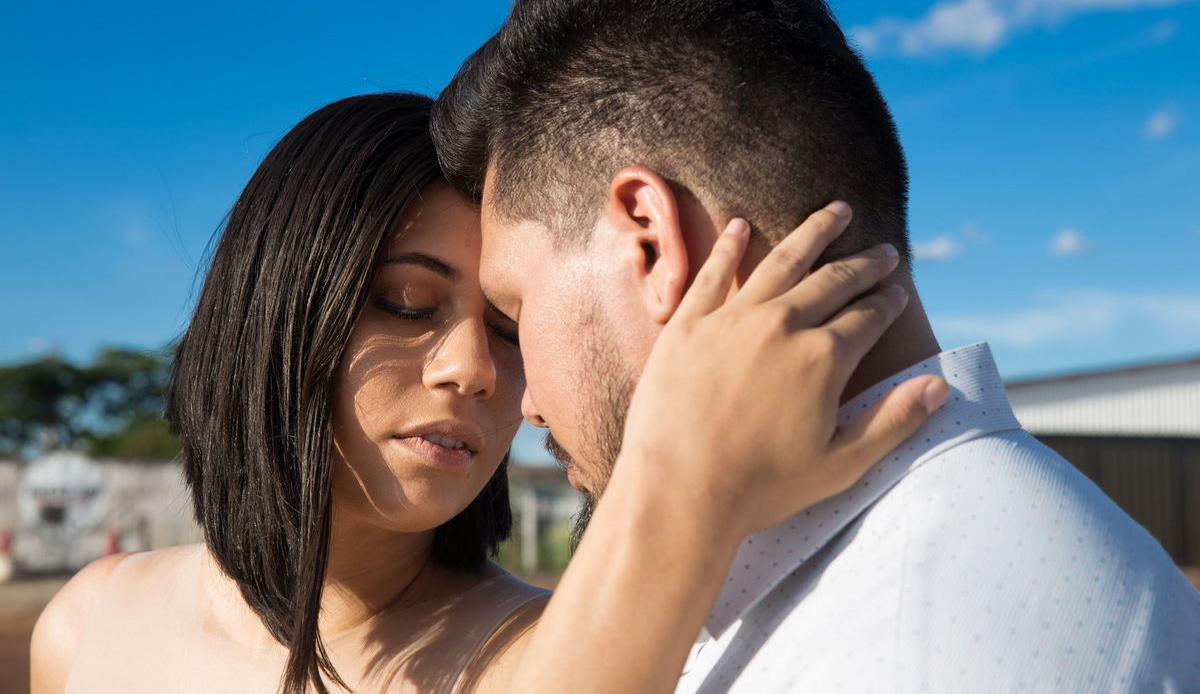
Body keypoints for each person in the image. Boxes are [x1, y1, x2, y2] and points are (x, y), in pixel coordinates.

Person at [431, 0, 1200, 692]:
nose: (528, 402)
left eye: (515, 310)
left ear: (652, 245)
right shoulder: (979, 557)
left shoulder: (904, 654)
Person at [30, 92, 937, 693]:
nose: (475, 368)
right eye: (406, 301)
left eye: (509, 328)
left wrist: (690, 469)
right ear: (272, 311)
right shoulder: (88, 622)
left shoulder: (553, 655)